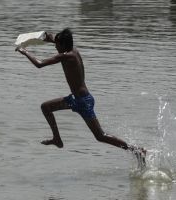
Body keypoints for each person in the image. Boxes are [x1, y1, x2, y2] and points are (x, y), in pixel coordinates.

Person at [15, 28, 145, 159]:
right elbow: (49, 37)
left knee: (100, 136)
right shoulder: (72, 49)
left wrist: (24, 51)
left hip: (83, 102)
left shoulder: (67, 56)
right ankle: (57, 139)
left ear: (64, 45)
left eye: (57, 45)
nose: (55, 47)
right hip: (75, 99)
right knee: (45, 107)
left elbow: (39, 63)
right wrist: (30, 37)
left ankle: (136, 150)